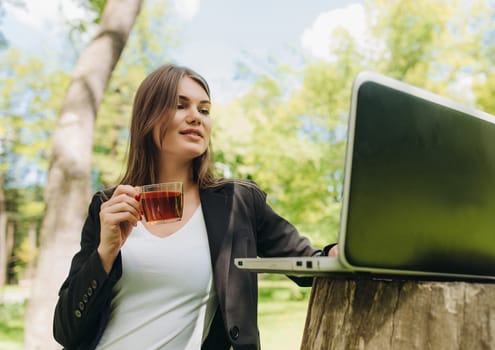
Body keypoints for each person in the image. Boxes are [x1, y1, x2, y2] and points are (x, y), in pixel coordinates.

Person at [53, 64, 337, 350]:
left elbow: (311, 264)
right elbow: (65, 331)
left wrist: (342, 252)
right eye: (180, 106)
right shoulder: (108, 207)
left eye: (204, 110)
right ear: (148, 118)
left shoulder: (238, 203)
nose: (196, 118)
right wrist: (106, 251)